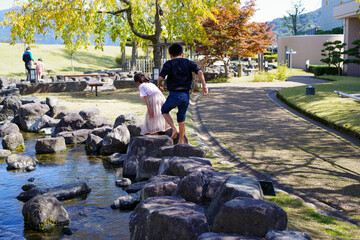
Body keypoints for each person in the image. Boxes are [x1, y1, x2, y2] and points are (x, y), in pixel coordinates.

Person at [157, 43, 209, 144]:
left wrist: (159, 84)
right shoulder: (188, 62)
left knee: (164, 110)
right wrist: (204, 85)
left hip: (174, 94)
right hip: (185, 95)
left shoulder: (168, 64)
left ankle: (174, 128)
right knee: (182, 118)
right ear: (183, 54)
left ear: (170, 55)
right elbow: (200, 72)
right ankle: (181, 140)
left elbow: (160, 78)